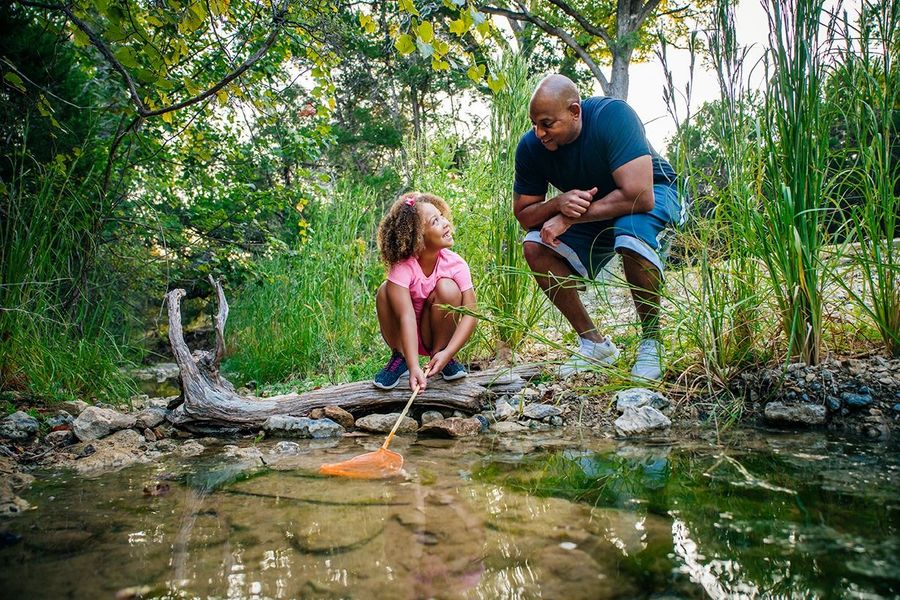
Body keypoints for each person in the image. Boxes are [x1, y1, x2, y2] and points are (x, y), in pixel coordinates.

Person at [513, 74, 686, 380]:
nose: (539, 132)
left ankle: (651, 343)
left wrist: (569, 217)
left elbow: (639, 196)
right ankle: (595, 345)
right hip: (596, 206)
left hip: (653, 192)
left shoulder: (613, 116)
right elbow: (525, 214)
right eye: (534, 124)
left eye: (547, 123)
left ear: (575, 112)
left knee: (630, 236)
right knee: (535, 246)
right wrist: (558, 204)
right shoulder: (531, 147)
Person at [373, 192, 478, 391]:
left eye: (442, 216)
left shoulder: (456, 264)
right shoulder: (403, 267)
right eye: (435, 221)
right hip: (406, 336)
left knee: (448, 287)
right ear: (418, 237)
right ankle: (400, 358)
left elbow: (471, 314)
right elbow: (406, 317)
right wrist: (414, 367)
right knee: (385, 290)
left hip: (435, 332)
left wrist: (447, 353)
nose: (446, 223)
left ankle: (440, 356)